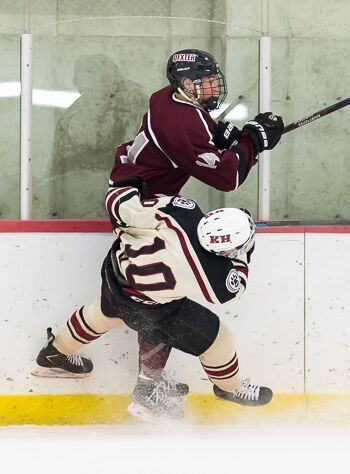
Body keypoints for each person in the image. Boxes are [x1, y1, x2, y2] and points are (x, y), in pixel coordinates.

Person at [106, 48, 284, 395]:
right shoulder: (181, 121)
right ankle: (162, 386)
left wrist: (236, 137)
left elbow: (204, 138)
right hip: (139, 205)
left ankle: (149, 385)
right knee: (164, 291)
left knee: (155, 296)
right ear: (185, 83)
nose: (213, 88)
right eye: (205, 82)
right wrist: (252, 145)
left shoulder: (171, 100)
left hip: (142, 199)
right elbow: (227, 179)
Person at [33, 183, 272, 420]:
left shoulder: (184, 212)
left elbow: (119, 201)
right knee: (219, 340)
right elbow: (234, 288)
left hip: (117, 275)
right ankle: (227, 388)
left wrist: (132, 188)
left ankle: (54, 353)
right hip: (149, 310)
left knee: (104, 313)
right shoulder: (214, 275)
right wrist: (243, 254)